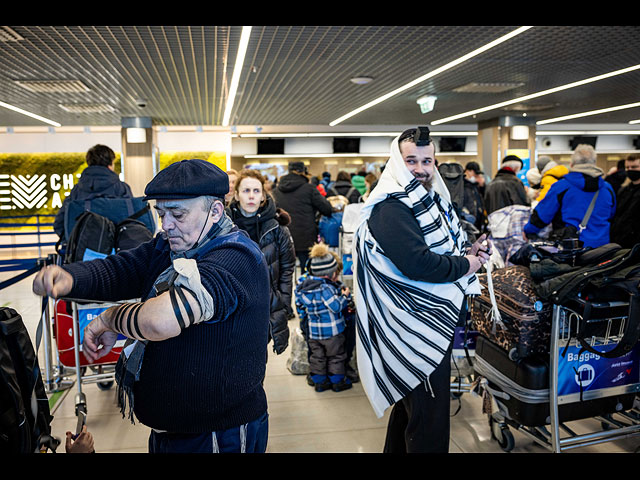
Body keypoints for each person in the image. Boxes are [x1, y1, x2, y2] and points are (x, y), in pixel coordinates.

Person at [33, 159, 271, 454]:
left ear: (215, 211)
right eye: (161, 213)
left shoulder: (236, 257)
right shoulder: (174, 245)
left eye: (178, 214)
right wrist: (69, 278)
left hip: (217, 434)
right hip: (174, 431)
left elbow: (159, 321)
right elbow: (125, 268)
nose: (166, 225)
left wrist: (108, 319)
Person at [352, 127, 490, 453]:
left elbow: (436, 248)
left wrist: (467, 252)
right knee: (428, 424)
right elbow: (418, 263)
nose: (420, 168)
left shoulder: (423, 201)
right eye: (411, 160)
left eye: (427, 161)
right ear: (396, 162)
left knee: (410, 414)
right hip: (413, 333)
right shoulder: (392, 207)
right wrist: (466, 265)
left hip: (420, 327)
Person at [227, 168, 296, 355]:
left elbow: (287, 269)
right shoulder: (223, 227)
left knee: (257, 361)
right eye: (246, 191)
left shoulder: (277, 228)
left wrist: (284, 302)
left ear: (263, 196)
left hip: (264, 307)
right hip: (232, 307)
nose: (251, 196)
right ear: (236, 195)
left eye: (256, 191)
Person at [523, 144, 616, 249]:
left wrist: (527, 230)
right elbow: (611, 215)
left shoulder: (562, 187)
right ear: (594, 163)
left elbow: (542, 216)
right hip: (601, 248)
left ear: (572, 164)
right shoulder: (607, 188)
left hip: (570, 248)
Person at [295, 243, 353, 392]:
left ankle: (320, 383)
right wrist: (345, 297)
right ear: (330, 274)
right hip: (332, 333)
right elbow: (336, 307)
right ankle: (337, 381)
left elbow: (301, 306)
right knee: (336, 356)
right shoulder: (326, 289)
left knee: (317, 358)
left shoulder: (304, 289)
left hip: (314, 333)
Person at [53, 144, 133, 241]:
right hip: (117, 251)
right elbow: (132, 221)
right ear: (110, 165)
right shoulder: (121, 188)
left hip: (83, 251)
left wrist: (75, 243)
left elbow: (59, 223)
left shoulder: (77, 191)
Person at [272, 161, 334, 271]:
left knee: (284, 272)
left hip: (283, 237)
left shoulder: (276, 191)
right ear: (303, 173)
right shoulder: (309, 189)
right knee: (307, 270)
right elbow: (327, 209)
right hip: (306, 238)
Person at [610, 153, 640, 248]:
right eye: (627, 167)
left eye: (634, 167)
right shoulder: (623, 190)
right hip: (619, 243)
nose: (630, 170)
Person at [462, 161, 486, 231]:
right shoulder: (461, 185)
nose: (476, 176)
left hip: (478, 222)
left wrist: (482, 186)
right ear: (468, 171)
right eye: (475, 174)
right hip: (468, 221)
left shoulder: (474, 186)